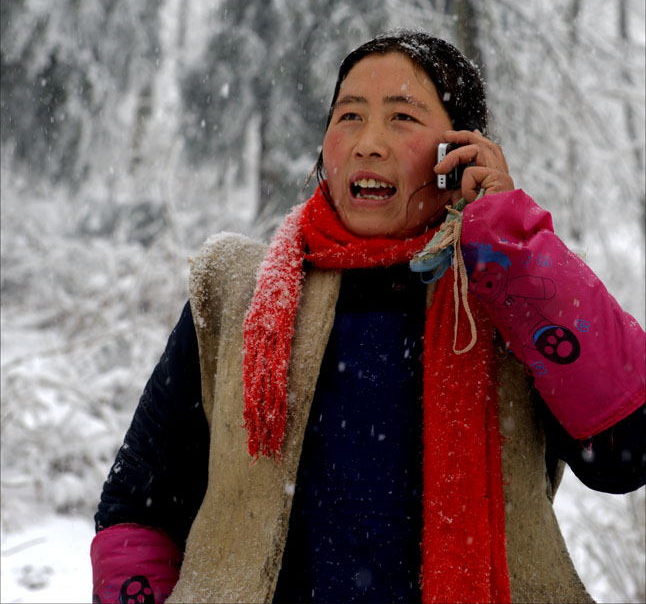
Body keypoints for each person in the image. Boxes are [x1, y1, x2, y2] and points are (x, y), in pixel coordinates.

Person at [91, 31, 645, 604]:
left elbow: (626, 451)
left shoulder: (509, 294)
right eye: (349, 116)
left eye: (402, 117)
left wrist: (511, 245)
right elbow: (137, 507)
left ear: (460, 152)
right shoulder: (238, 294)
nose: (368, 143)